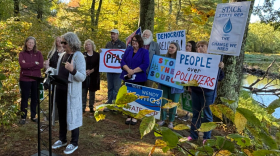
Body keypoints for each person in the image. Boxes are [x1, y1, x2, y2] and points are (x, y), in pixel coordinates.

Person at [51, 32, 86, 155]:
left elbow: (82, 77)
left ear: (71, 42)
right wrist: (50, 70)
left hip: (71, 93)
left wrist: (73, 70)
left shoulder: (79, 56)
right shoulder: (63, 55)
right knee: (62, 116)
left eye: (64, 42)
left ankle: (74, 142)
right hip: (60, 90)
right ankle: (62, 139)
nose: (62, 44)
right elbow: (58, 71)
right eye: (62, 42)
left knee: (73, 116)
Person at [187, 40, 224, 144]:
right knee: (196, 114)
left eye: (202, 46)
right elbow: (189, 73)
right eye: (198, 46)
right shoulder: (193, 60)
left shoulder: (214, 61)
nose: (199, 48)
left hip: (208, 92)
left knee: (207, 115)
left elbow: (220, 77)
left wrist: (220, 68)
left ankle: (206, 137)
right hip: (196, 91)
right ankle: (193, 135)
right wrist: (189, 86)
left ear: (208, 48)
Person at [120, 35, 149, 125]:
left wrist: (133, 71)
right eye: (132, 40)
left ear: (140, 42)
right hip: (127, 76)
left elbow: (145, 64)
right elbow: (122, 61)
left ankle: (135, 116)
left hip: (139, 78)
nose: (134, 42)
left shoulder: (144, 51)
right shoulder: (128, 50)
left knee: (136, 97)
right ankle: (129, 115)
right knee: (128, 96)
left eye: (135, 41)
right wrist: (128, 70)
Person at [157, 42, 184, 129]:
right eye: (169, 47)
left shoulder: (181, 61)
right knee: (163, 102)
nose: (170, 49)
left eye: (172, 47)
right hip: (164, 84)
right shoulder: (164, 59)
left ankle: (171, 121)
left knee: (173, 103)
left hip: (175, 86)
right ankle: (163, 119)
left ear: (177, 49)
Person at [18, 36, 44, 125]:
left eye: (32, 43)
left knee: (35, 98)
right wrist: (34, 64)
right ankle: (23, 117)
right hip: (25, 79)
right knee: (24, 98)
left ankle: (33, 116)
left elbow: (41, 65)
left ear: (34, 44)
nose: (31, 44)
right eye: (29, 42)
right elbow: (22, 65)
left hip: (35, 79)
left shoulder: (38, 53)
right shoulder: (22, 53)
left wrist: (28, 65)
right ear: (26, 43)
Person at [103, 29, 126, 111]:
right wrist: (101, 52)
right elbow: (105, 55)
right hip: (109, 70)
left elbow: (125, 56)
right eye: (111, 34)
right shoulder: (108, 44)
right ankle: (109, 104)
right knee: (110, 87)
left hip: (118, 70)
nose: (112, 35)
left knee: (116, 88)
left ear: (117, 35)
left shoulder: (122, 44)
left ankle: (115, 104)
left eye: (114, 34)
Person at [44, 36, 64, 123]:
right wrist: (47, 67)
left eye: (61, 41)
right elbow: (48, 66)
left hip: (63, 77)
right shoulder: (51, 53)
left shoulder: (66, 52)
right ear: (55, 42)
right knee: (53, 97)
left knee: (62, 97)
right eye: (57, 41)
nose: (59, 42)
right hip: (53, 77)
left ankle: (61, 115)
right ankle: (52, 115)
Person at [82, 39, 100, 113]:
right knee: (83, 91)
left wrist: (91, 70)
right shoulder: (83, 54)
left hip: (94, 76)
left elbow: (98, 65)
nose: (88, 46)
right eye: (86, 44)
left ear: (92, 45)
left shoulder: (97, 55)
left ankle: (91, 107)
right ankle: (83, 107)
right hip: (84, 75)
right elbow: (80, 64)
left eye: (89, 44)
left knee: (92, 92)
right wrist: (85, 71)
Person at [182, 40, 196, 121]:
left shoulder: (196, 57)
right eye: (187, 45)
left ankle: (188, 114)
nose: (187, 47)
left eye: (189, 46)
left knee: (191, 97)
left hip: (191, 81)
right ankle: (186, 112)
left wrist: (191, 84)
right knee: (185, 96)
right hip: (183, 80)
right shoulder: (183, 56)